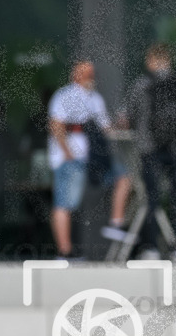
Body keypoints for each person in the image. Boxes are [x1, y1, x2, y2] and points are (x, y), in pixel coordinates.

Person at [47, 61, 132, 259]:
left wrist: (121, 125)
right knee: (65, 203)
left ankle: (116, 223)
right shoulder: (64, 95)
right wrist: (66, 152)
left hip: (94, 158)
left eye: (92, 73)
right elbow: (56, 125)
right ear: (75, 74)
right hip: (71, 157)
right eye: (86, 73)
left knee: (123, 177)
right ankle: (65, 252)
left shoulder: (95, 99)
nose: (90, 77)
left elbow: (106, 128)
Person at [121, 43, 176, 258]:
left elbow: (129, 116)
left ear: (150, 61)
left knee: (152, 198)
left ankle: (151, 248)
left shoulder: (141, 85)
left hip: (149, 149)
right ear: (168, 60)